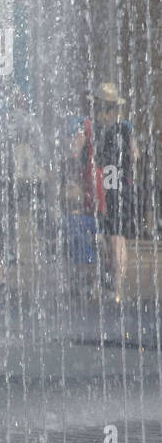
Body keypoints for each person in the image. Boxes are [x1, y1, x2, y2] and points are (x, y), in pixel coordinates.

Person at [76, 83, 138, 303]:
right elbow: (135, 155)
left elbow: (75, 152)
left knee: (102, 234)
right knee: (117, 238)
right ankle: (116, 289)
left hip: (101, 190)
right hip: (122, 189)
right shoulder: (125, 128)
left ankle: (105, 282)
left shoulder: (91, 127)